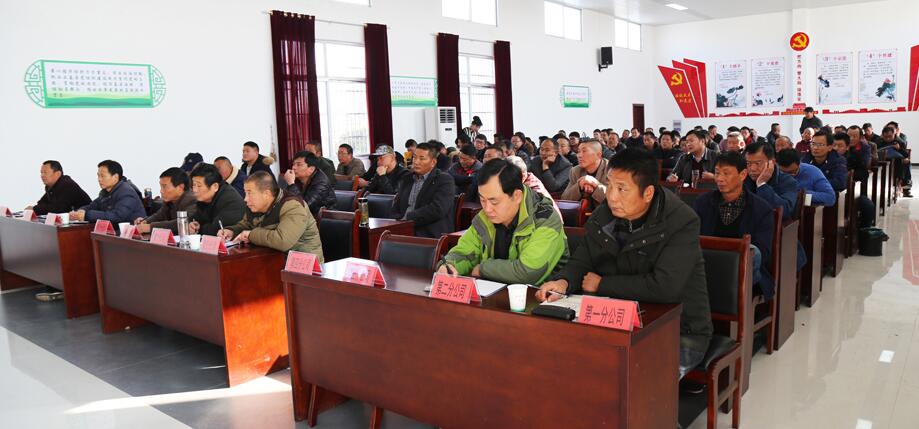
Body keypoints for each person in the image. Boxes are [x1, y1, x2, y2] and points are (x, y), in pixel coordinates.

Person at [537, 148, 712, 380]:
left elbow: (666, 286)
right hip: (616, 320)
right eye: (609, 185)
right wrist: (564, 280)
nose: (611, 196)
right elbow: (583, 258)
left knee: (632, 381)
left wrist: (602, 285)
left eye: (621, 189)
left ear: (648, 193)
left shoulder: (681, 221)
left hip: (678, 329)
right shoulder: (605, 215)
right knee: (564, 363)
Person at [438, 159, 568, 285]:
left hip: (540, 295)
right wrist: (449, 264)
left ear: (517, 196)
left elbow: (528, 272)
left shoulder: (546, 220)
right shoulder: (484, 218)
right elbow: (465, 252)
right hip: (493, 292)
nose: (487, 209)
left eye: (494, 201)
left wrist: (483, 269)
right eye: (482, 200)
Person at [694, 152, 776, 298]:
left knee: (753, 252)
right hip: (706, 268)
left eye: (726, 173)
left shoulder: (761, 209)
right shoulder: (703, 202)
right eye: (717, 173)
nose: (720, 179)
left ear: (743, 174)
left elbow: (762, 252)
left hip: (743, 274)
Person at [217, 171, 323, 258]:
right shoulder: (255, 206)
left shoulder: (293, 206)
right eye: (245, 193)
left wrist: (250, 235)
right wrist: (231, 231)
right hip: (272, 259)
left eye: (249, 193)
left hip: (304, 265)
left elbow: (283, 241)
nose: (245, 199)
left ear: (266, 194)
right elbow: (246, 225)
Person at [392, 141, 456, 238]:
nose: (416, 162)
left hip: (429, 232)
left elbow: (438, 209)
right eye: (414, 157)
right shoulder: (407, 178)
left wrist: (409, 218)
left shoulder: (444, 180)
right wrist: (396, 221)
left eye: (422, 158)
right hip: (403, 228)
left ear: (433, 162)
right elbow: (397, 205)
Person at [69, 160, 146, 225]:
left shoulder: (127, 192)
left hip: (131, 234)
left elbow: (117, 216)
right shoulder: (105, 192)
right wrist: (80, 211)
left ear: (115, 177)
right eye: (98, 176)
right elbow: (93, 206)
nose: (99, 179)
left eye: (102, 176)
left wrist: (87, 215)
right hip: (115, 232)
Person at [743, 142, 799, 221]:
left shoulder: (788, 181)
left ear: (771, 162)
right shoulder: (743, 178)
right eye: (748, 163)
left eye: (757, 163)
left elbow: (785, 211)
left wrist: (762, 185)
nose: (752, 169)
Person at [187, 163, 246, 236]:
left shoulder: (230, 200)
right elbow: (195, 218)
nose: (195, 190)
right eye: (194, 185)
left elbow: (216, 230)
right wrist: (192, 225)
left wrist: (199, 228)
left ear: (215, 186)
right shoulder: (204, 199)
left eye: (199, 186)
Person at [133, 167, 198, 234]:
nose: (161, 191)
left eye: (164, 186)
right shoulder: (169, 201)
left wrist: (149, 227)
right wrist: (145, 221)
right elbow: (159, 216)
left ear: (180, 187)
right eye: (161, 186)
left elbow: (182, 223)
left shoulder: (192, 200)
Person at [283, 151, 336, 216]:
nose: (294, 167)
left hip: (324, 218)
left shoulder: (322, 183)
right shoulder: (297, 178)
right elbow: (285, 200)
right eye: (293, 164)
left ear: (311, 169)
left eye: (299, 165)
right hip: (302, 215)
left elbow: (305, 206)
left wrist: (291, 184)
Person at [561, 140, 610, 207]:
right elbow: (564, 199)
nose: (579, 155)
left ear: (598, 154)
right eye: (578, 151)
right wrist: (579, 185)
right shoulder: (576, 171)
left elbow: (616, 199)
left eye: (584, 151)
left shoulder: (611, 170)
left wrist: (595, 185)